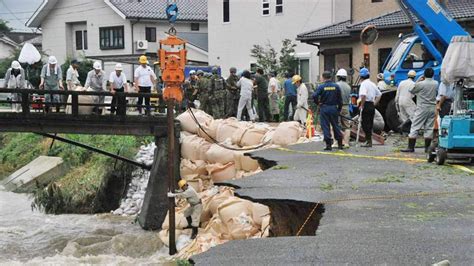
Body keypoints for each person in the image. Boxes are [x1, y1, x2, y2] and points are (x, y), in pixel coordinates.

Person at [401, 68, 438, 153]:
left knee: (415, 126)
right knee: (429, 128)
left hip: (422, 107)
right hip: (432, 107)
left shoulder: (421, 84)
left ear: (424, 75)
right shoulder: (436, 83)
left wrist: (418, 80)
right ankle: (427, 148)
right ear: (433, 75)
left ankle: (411, 147)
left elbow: (411, 89)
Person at [313, 71, 343, 151]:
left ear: (323, 77)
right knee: (335, 125)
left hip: (324, 108)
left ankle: (328, 144)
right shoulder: (336, 86)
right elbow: (340, 99)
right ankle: (340, 143)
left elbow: (314, 95)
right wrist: (339, 109)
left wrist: (318, 103)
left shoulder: (321, 87)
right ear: (331, 77)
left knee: (325, 126)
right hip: (334, 108)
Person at [357, 68, 381, 148]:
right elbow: (379, 94)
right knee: (370, 124)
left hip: (366, 104)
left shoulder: (363, 84)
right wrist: (374, 103)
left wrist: (362, 105)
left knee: (365, 124)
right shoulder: (372, 84)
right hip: (371, 105)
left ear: (361, 76)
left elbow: (363, 95)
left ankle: (368, 141)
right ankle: (369, 141)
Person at [336, 69, 351, 148]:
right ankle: (346, 143)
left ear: (338, 77)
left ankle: (336, 142)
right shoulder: (348, 86)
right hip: (346, 106)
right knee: (347, 126)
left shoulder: (336, 85)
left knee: (336, 124)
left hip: (337, 106)